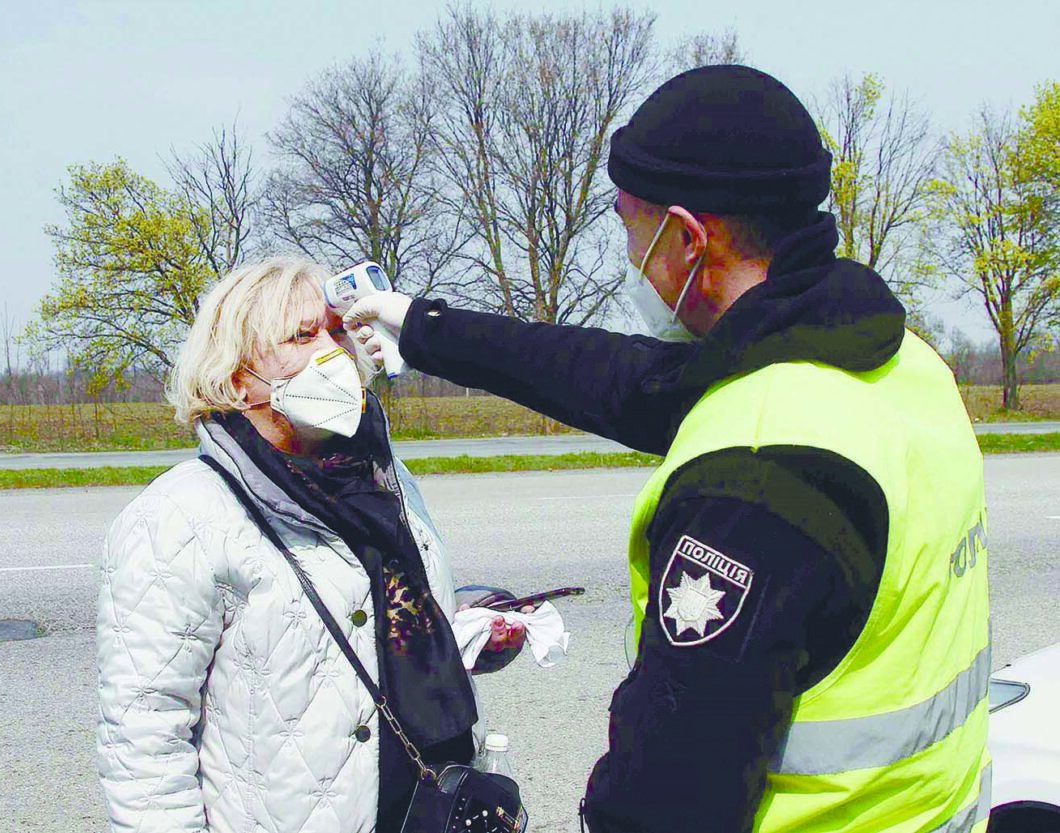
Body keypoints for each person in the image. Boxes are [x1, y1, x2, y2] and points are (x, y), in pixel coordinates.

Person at [344, 66, 992, 832]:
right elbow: (617, 379)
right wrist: (423, 326)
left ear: (686, 238)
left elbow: (669, 797)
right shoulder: (889, 359)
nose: (626, 255)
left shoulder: (756, 474)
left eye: (628, 226)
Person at [96, 256, 527, 833]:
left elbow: (383, 622)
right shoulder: (178, 518)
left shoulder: (385, 476)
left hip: (429, 810)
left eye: (334, 328)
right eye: (303, 335)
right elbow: (145, 734)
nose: (333, 350)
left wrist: (464, 632)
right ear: (233, 379)